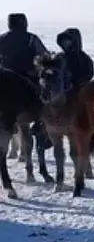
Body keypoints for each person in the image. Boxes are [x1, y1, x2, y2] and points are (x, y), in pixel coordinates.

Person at [0, 13, 52, 150]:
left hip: (3, 78)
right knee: (44, 101)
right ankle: (41, 128)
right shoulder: (31, 39)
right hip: (27, 77)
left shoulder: (2, 38)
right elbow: (44, 56)